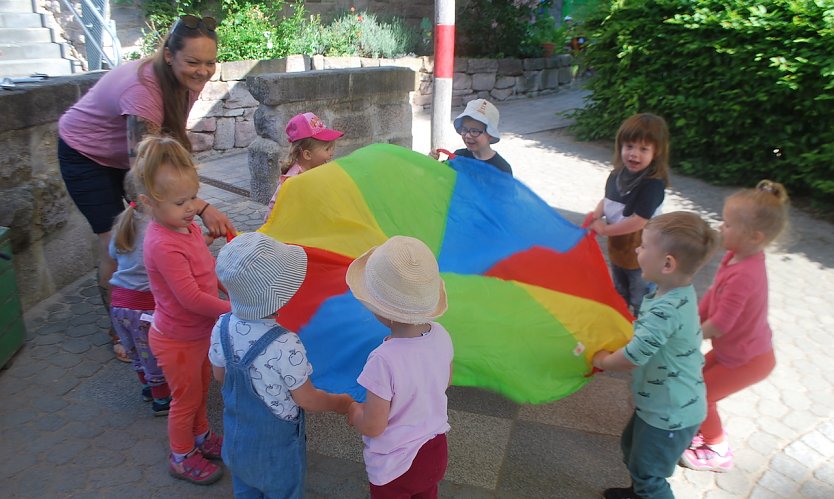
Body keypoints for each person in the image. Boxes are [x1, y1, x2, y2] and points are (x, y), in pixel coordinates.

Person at [57, 15, 234, 361]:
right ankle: (120, 330)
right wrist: (200, 207)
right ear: (169, 55)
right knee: (116, 240)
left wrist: (188, 207)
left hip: (130, 156)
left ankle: (159, 308)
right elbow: (147, 172)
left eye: (210, 62)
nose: (203, 71)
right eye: (193, 62)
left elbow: (166, 146)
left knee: (161, 228)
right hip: (84, 155)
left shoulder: (185, 80)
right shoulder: (143, 88)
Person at [209, 232, 354, 497]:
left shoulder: (222, 326)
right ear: (280, 296)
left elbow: (220, 376)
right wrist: (341, 403)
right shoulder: (285, 343)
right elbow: (307, 399)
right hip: (277, 453)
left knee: (245, 490)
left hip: (237, 443)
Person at [592, 211, 720, 499]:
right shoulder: (671, 293)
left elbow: (632, 357)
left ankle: (645, 492)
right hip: (659, 403)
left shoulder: (666, 309)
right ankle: (638, 492)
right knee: (633, 452)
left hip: (671, 412)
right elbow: (648, 337)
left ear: (667, 263)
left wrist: (602, 360)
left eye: (644, 245)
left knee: (650, 475)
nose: (637, 249)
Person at [134, 135, 231, 485]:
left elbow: (203, 266)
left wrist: (208, 250)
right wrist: (231, 309)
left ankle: (201, 436)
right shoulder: (161, 241)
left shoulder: (185, 226)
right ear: (148, 202)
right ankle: (181, 454)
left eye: (193, 197)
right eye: (180, 202)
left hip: (197, 334)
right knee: (185, 400)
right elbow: (190, 297)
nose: (192, 207)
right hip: (177, 341)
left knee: (202, 388)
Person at [679, 180, 789, 473]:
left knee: (701, 396)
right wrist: (691, 318)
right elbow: (714, 296)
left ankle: (717, 449)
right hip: (737, 352)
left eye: (728, 225)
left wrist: (687, 334)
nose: (721, 227)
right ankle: (703, 430)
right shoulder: (735, 256)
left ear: (754, 236)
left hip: (748, 360)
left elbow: (721, 324)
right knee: (694, 383)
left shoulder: (746, 274)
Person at [346, 236, 454, 498]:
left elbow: (374, 426)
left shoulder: (383, 360)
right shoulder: (441, 334)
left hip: (396, 465)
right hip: (435, 451)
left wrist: (352, 411)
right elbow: (446, 380)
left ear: (381, 310)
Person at [588, 113, 670, 317]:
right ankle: (622, 324)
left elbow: (639, 221)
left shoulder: (652, 185)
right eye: (629, 146)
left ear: (656, 152)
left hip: (643, 252)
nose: (634, 154)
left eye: (643, 149)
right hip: (619, 249)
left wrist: (606, 229)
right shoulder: (616, 175)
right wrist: (597, 213)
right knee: (620, 290)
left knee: (641, 296)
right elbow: (607, 201)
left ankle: (643, 331)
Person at [108, 171, 171, 416]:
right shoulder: (156, 230)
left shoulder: (123, 222)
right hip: (144, 304)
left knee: (135, 350)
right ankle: (161, 399)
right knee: (152, 353)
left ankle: (146, 386)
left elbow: (113, 255)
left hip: (119, 303)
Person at [264, 112, 344, 220]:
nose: (332, 153)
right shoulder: (294, 179)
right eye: (327, 149)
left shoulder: (318, 167)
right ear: (307, 154)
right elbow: (278, 210)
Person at [429, 98, 513, 176]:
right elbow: (444, 181)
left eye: (475, 131)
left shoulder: (502, 169)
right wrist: (432, 164)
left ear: (490, 135)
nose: (468, 135)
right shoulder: (458, 156)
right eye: (464, 129)